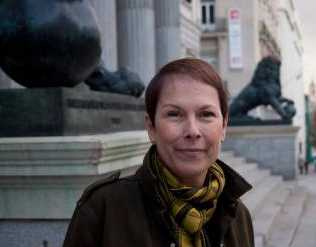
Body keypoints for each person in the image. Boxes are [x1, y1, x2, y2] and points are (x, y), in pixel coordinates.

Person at [63, 58, 254, 246]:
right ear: (151, 127)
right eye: (174, 114)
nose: (192, 131)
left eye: (206, 114)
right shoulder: (103, 209)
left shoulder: (239, 216)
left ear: (224, 126)